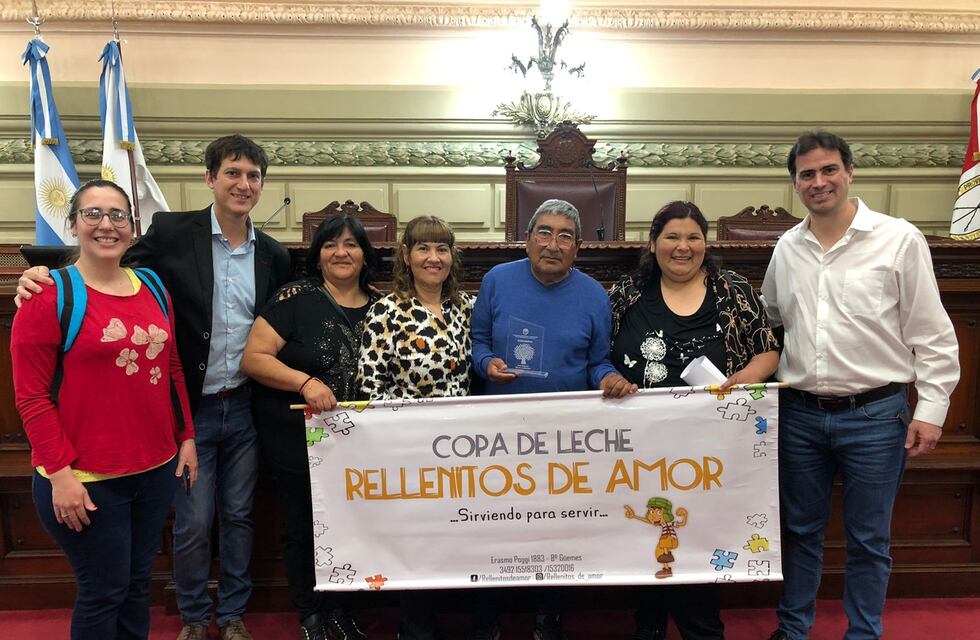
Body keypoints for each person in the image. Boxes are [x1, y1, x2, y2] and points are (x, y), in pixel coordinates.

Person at [16, 135, 293, 640]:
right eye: (233, 172)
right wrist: (40, 275)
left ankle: (230, 616)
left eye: (253, 176)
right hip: (187, 415)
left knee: (237, 517)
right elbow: (103, 264)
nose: (243, 184)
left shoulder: (274, 254)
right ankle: (191, 617)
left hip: (238, 409)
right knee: (187, 526)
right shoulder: (169, 233)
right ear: (210, 178)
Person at [763, 131, 959, 640]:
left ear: (850, 173)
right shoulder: (787, 247)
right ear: (795, 184)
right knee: (800, 532)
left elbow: (932, 333)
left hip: (875, 416)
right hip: (801, 415)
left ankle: (864, 634)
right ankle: (793, 629)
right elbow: (773, 318)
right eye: (807, 174)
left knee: (869, 539)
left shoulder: (899, 239)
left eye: (829, 170)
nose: (819, 182)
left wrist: (931, 409)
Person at [11, 179, 199, 639]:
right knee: (103, 590)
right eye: (93, 214)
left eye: (118, 215)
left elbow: (172, 367)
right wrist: (60, 475)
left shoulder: (153, 285)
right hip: (87, 480)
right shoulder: (47, 296)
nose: (106, 225)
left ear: (133, 228)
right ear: (73, 225)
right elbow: (31, 398)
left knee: (137, 587)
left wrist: (187, 438)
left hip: (155, 471)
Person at [608, 200, 779, 640]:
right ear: (653, 243)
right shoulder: (627, 292)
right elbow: (598, 355)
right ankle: (647, 629)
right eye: (672, 237)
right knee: (646, 543)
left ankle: (702, 630)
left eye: (693, 237)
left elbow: (769, 350)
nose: (683, 247)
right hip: (639, 451)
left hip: (713, 453)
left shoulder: (734, 290)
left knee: (701, 544)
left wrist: (742, 380)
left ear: (706, 243)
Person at [470, 198, 636, 640]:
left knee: (558, 529)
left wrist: (611, 379)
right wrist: (486, 364)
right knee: (494, 527)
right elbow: (478, 342)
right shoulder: (496, 280)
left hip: (566, 437)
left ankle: (550, 616)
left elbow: (597, 362)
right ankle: (487, 618)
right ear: (527, 240)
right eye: (544, 232)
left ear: (578, 248)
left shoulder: (593, 295)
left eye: (565, 236)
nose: (553, 243)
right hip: (499, 432)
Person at [241, 214, 377, 640]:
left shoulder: (381, 306)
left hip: (359, 445)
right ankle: (311, 612)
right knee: (303, 525)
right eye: (331, 244)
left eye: (351, 244)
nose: (341, 252)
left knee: (350, 527)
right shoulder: (294, 297)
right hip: (299, 436)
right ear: (317, 255)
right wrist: (304, 381)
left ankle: (340, 607)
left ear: (364, 255)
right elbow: (254, 358)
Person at [357, 215, 473, 640]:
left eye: (442, 249)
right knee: (419, 543)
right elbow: (369, 387)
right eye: (423, 248)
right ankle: (416, 629)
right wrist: (412, 426)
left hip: (461, 448)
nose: (433, 257)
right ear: (405, 255)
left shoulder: (466, 307)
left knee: (455, 538)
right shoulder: (386, 311)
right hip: (408, 450)